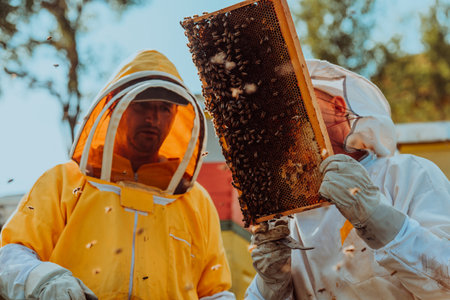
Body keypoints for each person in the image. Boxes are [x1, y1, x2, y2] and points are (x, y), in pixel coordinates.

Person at [0, 50, 236, 300]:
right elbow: (10, 255)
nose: (153, 118)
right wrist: (43, 280)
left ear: (176, 116)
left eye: (164, 109)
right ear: (115, 107)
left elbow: (214, 293)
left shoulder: (196, 201)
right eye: (142, 106)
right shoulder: (64, 181)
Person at [246, 59, 450, 299]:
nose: (285, 122)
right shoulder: (289, 219)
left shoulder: (408, 174)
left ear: (338, 107)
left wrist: (382, 220)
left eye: (295, 103)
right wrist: (271, 287)